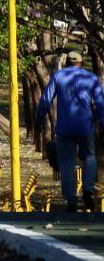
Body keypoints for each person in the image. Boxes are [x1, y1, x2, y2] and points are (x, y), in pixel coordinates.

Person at [37, 50, 104, 211]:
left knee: (67, 162)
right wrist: (101, 122)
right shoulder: (91, 78)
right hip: (85, 126)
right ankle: (87, 190)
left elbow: (46, 100)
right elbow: (100, 104)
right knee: (89, 157)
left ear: (67, 63)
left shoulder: (59, 76)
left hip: (65, 128)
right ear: (82, 63)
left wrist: (39, 118)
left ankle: (71, 200)